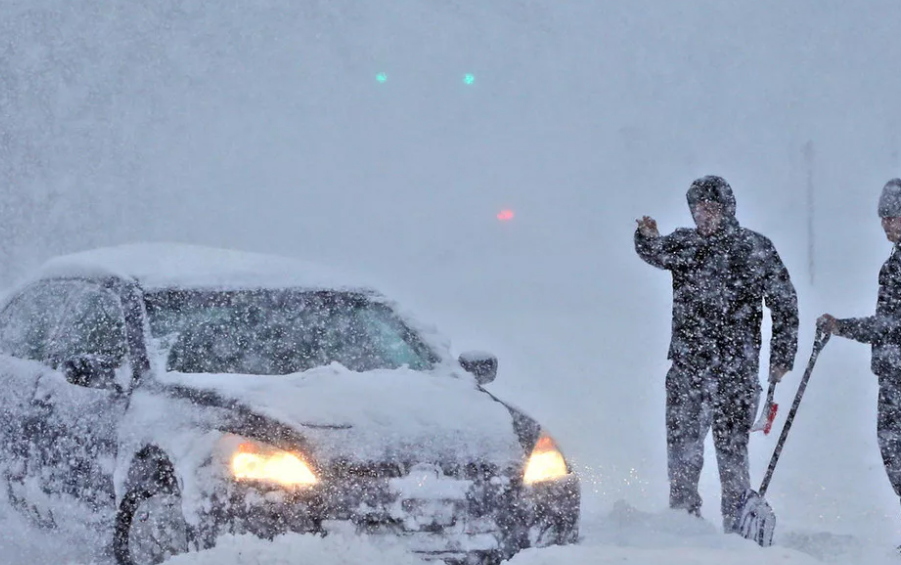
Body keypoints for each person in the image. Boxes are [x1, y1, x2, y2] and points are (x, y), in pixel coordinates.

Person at [634, 175, 799, 532]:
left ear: (727, 209)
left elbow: (785, 304)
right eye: (697, 209)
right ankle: (682, 520)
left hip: (735, 372)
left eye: (710, 208)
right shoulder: (685, 244)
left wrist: (782, 355)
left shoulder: (755, 248)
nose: (703, 215)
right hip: (687, 368)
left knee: (732, 453)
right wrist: (645, 237)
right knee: (682, 449)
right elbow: (655, 251)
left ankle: (735, 526)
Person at [818, 178, 901, 520]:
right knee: (892, 450)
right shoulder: (894, 263)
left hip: (897, 374)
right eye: (882, 216)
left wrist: (843, 327)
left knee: (895, 450)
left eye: (893, 215)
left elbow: (892, 325)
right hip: (892, 373)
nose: (886, 223)